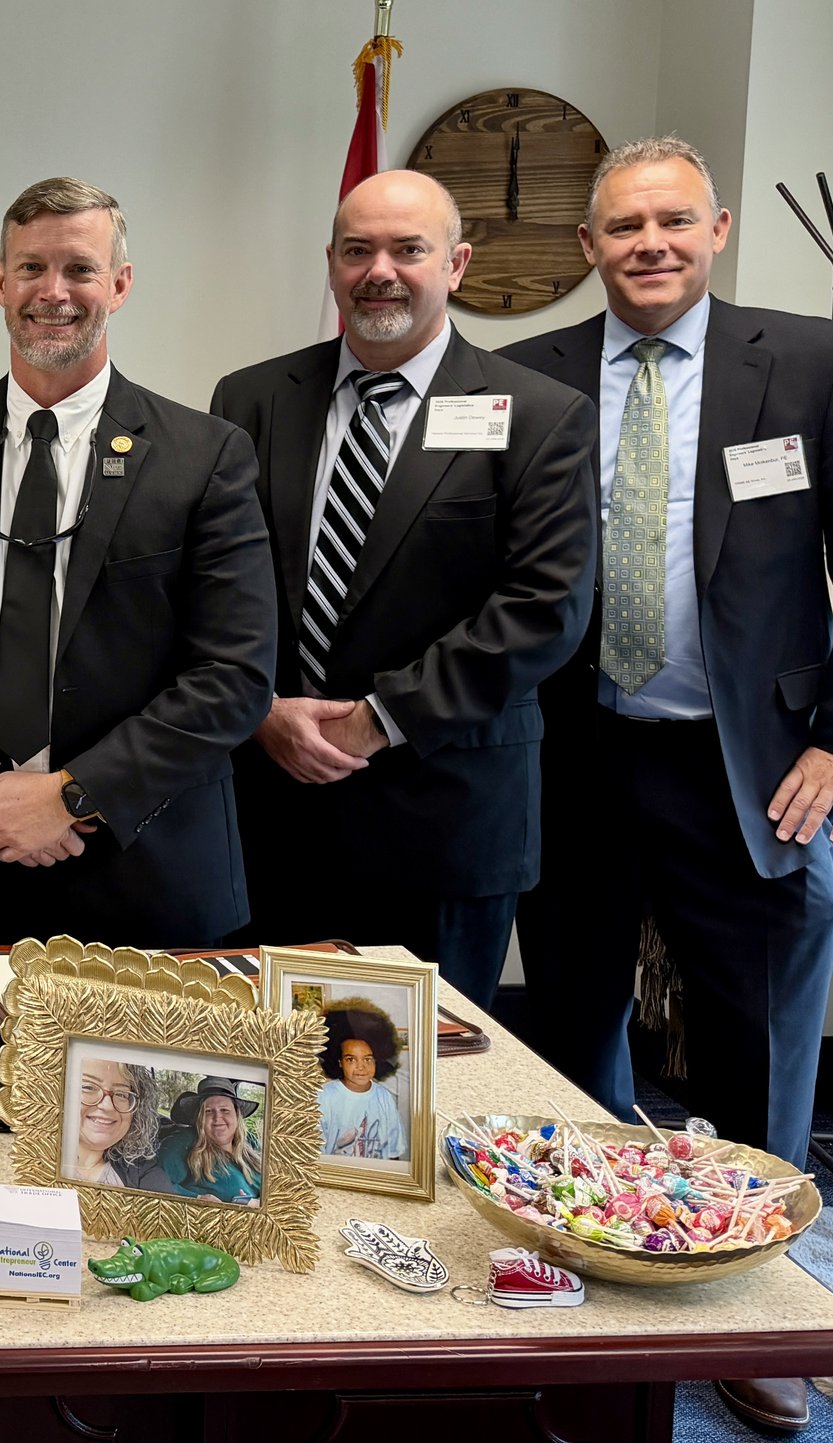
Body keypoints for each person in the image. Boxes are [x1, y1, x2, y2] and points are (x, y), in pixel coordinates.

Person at [504, 136, 833, 1441]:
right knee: (573, 1034)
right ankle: (586, 1279)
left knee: (757, 1045)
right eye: (623, 224)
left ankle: (754, 1308)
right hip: (575, 758)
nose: (648, 242)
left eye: (673, 220)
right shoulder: (530, 376)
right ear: (589, 244)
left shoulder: (813, 362)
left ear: (718, 227)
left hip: (750, 764)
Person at [208, 171, 598, 1005]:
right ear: (332, 263)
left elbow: (543, 609)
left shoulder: (539, 413)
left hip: (446, 818)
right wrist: (262, 709)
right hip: (269, 809)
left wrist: (377, 721)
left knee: (424, 1095)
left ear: (455, 264)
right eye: (357, 249)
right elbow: (217, 588)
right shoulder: (249, 399)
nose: (379, 269)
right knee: (257, 1077)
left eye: (407, 249)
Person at [0, 178, 276, 946]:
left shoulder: (206, 457)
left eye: (80, 269)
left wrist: (72, 794)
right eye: (31, 268)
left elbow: (235, 676)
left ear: (119, 285)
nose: (54, 291)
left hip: (145, 871)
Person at [315, 1005, 406, 1162]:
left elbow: (393, 1151)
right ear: (340, 1062)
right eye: (351, 1059)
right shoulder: (323, 1097)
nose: (361, 1067)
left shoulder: (384, 1097)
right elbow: (314, 1153)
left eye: (367, 1059)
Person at [158, 1079, 261, 1204]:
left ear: (237, 1115)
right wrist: (198, 1199)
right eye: (208, 1111)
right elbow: (155, 1183)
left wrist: (258, 1203)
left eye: (224, 1110)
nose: (217, 1117)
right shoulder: (182, 1142)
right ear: (200, 1118)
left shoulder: (250, 1140)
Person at [66, 1056, 159, 1190]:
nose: (108, 1106)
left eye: (122, 1094)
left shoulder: (143, 1174)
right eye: (88, 1087)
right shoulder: (32, 1158)